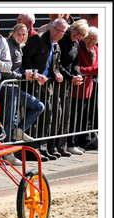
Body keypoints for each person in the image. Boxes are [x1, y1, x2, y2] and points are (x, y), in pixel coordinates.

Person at [22, 17, 67, 162]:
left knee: (47, 117)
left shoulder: (57, 46)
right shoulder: (38, 39)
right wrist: (35, 74)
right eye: (57, 29)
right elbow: (25, 59)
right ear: (50, 27)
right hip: (32, 85)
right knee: (35, 118)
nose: (58, 33)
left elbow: (55, 66)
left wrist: (57, 74)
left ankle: (42, 148)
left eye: (62, 32)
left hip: (47, 87)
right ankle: (32, 150)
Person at [0, 23, 45, 166]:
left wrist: (34, 74)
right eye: (18, 34)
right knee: (8, 121)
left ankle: (18, 132)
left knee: (38, 106)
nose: (21, 37)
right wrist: (24, 76)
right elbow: (6, 72)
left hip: (14, 88)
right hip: (7, 87)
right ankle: (7, 153)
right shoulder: (9, 46)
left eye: (23, 34)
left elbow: (21, 67)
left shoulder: (19, 47)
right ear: (13, 33)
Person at [55, 19, 88, 156]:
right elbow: (58, 63)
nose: (78, 35)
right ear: (72, 28)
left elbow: (75, 62)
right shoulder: (63, 40)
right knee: (58, 114)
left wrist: (78, 75)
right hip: (59, 80)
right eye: (77, 31)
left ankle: (65, 146)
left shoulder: (76, 43)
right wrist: (70, 77)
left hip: (68, 82)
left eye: (81, 34)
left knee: (67, 115)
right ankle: (54, 146)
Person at [73, 26, 98, 150]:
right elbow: (78, 68)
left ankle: (83, 141)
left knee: (84, 116)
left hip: (89, 88)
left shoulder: (96, 50)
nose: (91, 42)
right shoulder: (79, 48)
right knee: (74, 117)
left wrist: (93, 71)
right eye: (88, 38)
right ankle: (73, 142)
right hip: (77, 88)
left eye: (94, 39)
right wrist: (93, 71)